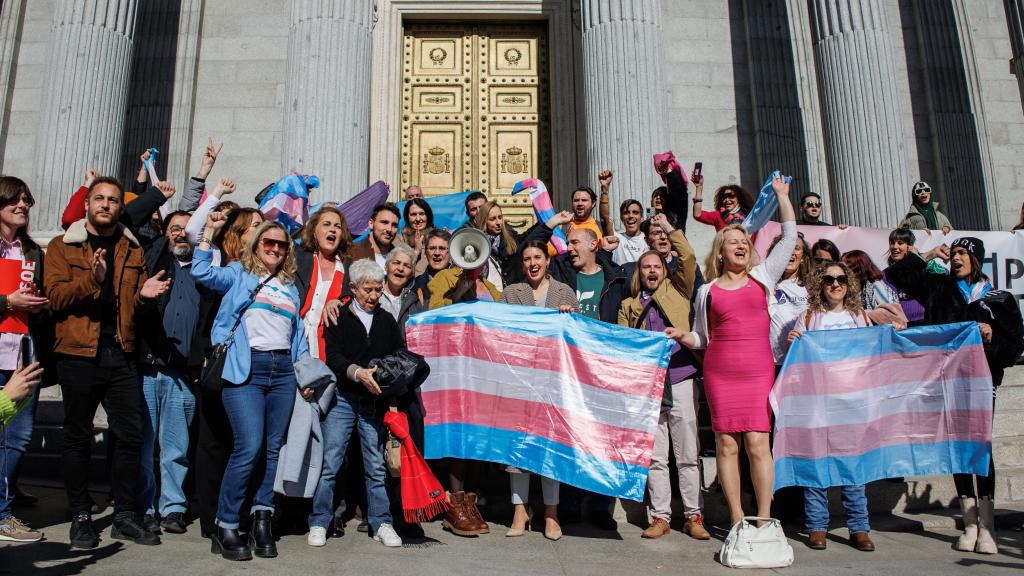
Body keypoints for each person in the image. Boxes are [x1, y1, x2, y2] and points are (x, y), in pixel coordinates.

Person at [45, 176, 171, 548]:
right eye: (98, 198)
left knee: (130, 435)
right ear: (87, 205)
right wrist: (92, 280)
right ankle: (82, 515)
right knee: (78, 436)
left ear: (120, 206)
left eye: (113, 200)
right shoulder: (61, 246)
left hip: (121, 353)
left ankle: (125, 515)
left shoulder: (132, 250)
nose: (105, 205)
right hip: (78, 354)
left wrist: (146, 297)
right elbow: (55, 298)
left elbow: (133, 307)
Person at [669, 174, 796, 526]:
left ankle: (764, 517)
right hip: (720, 373)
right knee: (726, 445)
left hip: (757, 371)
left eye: (744, 241)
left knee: (757, 442)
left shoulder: (764, 276)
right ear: (721, 251)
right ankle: (738, 517)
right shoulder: (707, 291)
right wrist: (682, 336)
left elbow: (788, 236)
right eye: (733, 242)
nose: (741, 245)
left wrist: (783, 197)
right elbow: (701, 338)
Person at [193, 219, 310, 561]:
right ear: (256, 245)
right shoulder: (238, 274)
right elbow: (201, 272)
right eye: (268, 243)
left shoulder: (290, 287)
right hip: (247, 369)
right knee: (249, 446)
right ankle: (226, 523)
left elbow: (297, 335)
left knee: (273, 449)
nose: (275, 249)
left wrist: (307, 376)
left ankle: (262, 517)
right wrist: (208, 235)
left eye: (282, 245)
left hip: (283, 372)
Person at [884, 236, 1006, 555]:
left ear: (976, 258)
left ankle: (987, 525)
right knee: (957, 445)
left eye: (962, 254)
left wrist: (992, 337)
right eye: (953, 253)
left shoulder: (998, 298)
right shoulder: (939, 287)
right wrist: (926, 255)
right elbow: (897, 274)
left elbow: (1015, 342)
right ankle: (968, 523)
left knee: (979, 444)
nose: (955, 258)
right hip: (948, 379)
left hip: (983, 379)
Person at [618, 214, 709, 541]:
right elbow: (624, 345)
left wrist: (669, 229)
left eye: (657, 266)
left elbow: (688, 256)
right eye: (646, 267)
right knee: (655, 455)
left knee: (687, 452)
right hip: (649, 386)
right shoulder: (629, 304)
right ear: (639, 272)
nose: (652, 271)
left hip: (682, 377)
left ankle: (694, 515)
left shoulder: (680, 288)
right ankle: (660, 516)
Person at [311, 260, 404, 549]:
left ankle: (382, 522)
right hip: (343, 398)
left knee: (376, 467)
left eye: (378, 289)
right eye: (368, 290)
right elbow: (333, 357)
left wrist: (382, 374)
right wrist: (357, 372)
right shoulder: (339, 315)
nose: (374, 296)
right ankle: (319, 521)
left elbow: (396, 355)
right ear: (353, 288)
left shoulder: (386, 320)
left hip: (372, 402)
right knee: (331, 463)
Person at [788, 262, 876, 552]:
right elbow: (795, 360)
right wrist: (794, 342)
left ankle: (859, 528)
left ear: (849, 284)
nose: (835, 284)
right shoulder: (810, 317)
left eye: (841, 279)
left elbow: (873, 354)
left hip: (852, 402)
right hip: (818, 403)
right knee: (816, 465)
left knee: (853, 467)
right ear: (819, 284)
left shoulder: (859, 316)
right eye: (828, 279)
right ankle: (817, 526)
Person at [546, 226, 628, 530]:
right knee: (570, 438)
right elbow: (531, 249)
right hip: (569, 372)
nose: (569, 247)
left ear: (594, 244)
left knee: (602, 441)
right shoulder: (561, 274)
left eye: (574, 242)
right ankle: (568, 504)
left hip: (603, 372)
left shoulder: (617, 279)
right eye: (567, 242)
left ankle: (599, 506)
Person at [498, 240, 578, 541]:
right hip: (519, 380)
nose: (533, 263)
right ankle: (520, 510)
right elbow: (503, 335)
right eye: (527, 259)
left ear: (547, 261)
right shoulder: (511, 293)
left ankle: (551, 512)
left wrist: (569, 317)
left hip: (553, 382)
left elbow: (576, 336)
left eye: (538, 258)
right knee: (518, 447)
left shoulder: (564, 292)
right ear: (522, 264)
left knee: (550, 447)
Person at [135, 205, 202, 536]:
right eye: (175, 228)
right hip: (148, 369)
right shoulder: (155, 264)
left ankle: (173, 508)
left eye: (187, 230)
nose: (181, 234)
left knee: (176, 448)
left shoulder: (201, 272)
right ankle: (145, 507)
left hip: (181, 374)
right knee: (145, 445)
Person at [0, 176, 49, 544]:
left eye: (26, 200)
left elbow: (40, 308)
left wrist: (38, 302)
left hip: (20, 352)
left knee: (18, 437)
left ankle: (3, 508)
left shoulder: (32, 252)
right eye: (14, 199)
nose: (23, 205)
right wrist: (7, 303)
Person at [295, 206, 351, 361]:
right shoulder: (297, 258)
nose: (332, 229)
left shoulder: (349, 269)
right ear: (314, 231)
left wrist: (340, 303)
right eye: (326, 224)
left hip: (327, 352)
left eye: (337, 226)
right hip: (294, 347)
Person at [874, 227, 949, 327]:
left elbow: (945, 274)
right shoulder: (886, 274)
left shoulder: (924, 266)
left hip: (930, 323)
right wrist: (929, 254)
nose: (894, 246)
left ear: (909, 247)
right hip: (903, 326)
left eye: (900, 243)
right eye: (892, 243)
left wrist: (922, 257)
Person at [473, 200, 555, 289]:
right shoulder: (475, 244)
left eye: (500, 217)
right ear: (484, 221)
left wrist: (547, 223)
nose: (498, 223)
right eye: (493, 219)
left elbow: (529, 239)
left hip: (511, 294)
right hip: (486, 295)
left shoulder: (511, 239)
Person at [767, 232, 812, 365]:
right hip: (774, 362)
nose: (790, 252)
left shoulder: (812, 287)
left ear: (803, 257)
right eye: (786, 247)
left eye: (796, 248)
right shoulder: (765, 284)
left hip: (804, 360)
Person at [380, 245, 422, 330]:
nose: (401, 268)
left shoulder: (416, 301)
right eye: (396, 263)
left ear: (411, 274)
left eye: (407, 266)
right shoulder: (373, 294)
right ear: (386, 266)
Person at [349, 203, 400, 268]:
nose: (389, 229)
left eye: (394, 225)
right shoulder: (352, 252)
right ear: (371, 224)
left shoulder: (399, 257)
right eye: (384, 222)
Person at [412, 228, 451, 304]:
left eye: (442, 248)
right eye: (432, 248)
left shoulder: (461, 282)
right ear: (425, 253)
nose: (437, 253)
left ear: (450, 252)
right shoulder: (414, 285)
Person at [400, 198, 433, 275]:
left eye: (421, 214)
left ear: (427, 216)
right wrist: (416, 251)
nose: (418, 219)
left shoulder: (437, 237)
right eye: (413, 214)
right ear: (407, 217)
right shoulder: (399, 239)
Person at [610, 199, 647, 266]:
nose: (630, 216)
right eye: (626, 213)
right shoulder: (616, 238)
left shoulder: (648, 239)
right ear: (621, 218)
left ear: (641, 218)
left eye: (635, 212)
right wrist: (604, 192)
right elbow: (604, 218)